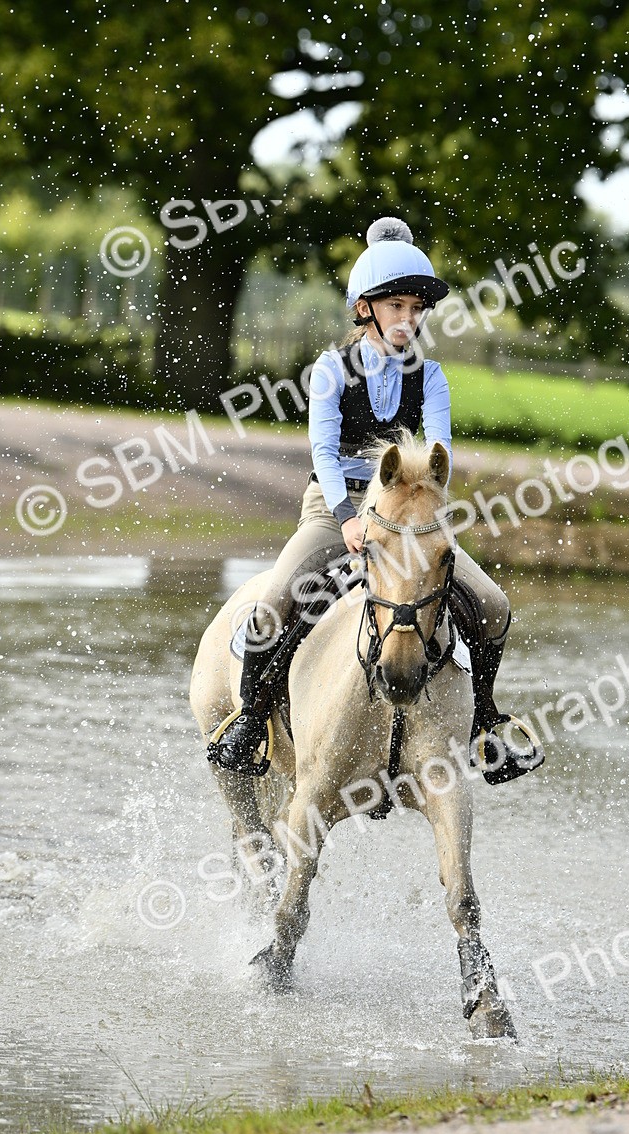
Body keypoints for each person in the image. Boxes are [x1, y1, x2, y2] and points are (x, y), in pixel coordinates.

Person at [212, 216, 539, 782]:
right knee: (274, 602)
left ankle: (485, 721)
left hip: (410, 514)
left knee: (492, 606)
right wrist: (346, 518)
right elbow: (322, 451)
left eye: (417, 309)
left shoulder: (431, 377)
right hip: (333, 507)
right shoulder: (329, 371)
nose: (409, 320)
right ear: (366, 308)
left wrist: (413, 510)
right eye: (397, 308)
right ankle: (251, 719)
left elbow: (439, 458)